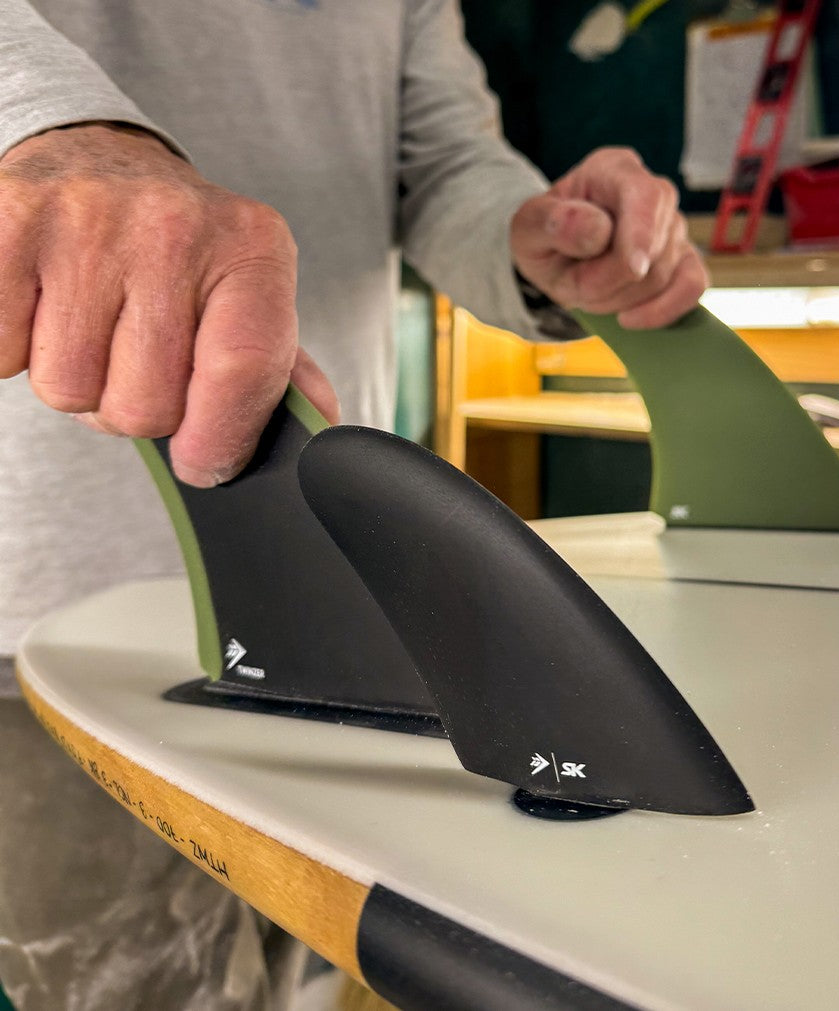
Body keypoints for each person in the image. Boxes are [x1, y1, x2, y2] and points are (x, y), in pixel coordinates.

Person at [0, 1, 709, 1008]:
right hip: (45, 589)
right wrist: (46, 125)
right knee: (132, 984)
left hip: (329, 580)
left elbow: (445, 164)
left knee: (307, 969)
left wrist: (528, 235)